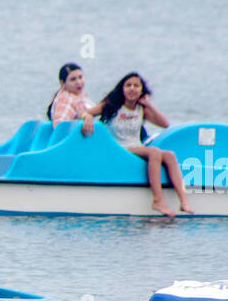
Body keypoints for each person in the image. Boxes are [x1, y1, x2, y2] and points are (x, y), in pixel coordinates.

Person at [84, 72, 195, 218]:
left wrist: (149, 104)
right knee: (154, 152)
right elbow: (87, 113)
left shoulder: (141, 109)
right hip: (119, 148)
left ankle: (184, 201)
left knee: (169, 155)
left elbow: (164, 124)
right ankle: (158, 200)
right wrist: (88, 119)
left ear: (142, 90)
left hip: (136, 147)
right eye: (128, 85)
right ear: (122, 89)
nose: (132, 89)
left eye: (136, 86)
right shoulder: (113, 105)